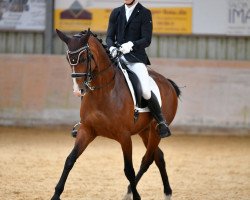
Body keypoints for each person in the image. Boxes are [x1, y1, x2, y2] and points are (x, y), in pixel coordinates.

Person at [106, 0, 171, 138]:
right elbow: (109, 37)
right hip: (117, 57)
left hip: (135, 59)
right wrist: (111, 47)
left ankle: (161, 121)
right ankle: (84, 121)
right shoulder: (116, 12)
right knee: (97, 77)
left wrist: (131, 45)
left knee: (146, 92)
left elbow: (146, 40)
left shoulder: (144, 13)